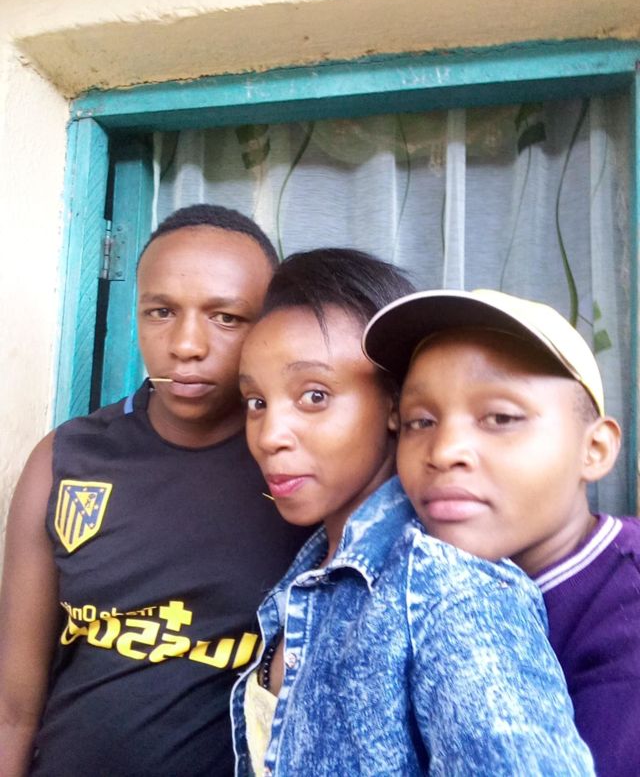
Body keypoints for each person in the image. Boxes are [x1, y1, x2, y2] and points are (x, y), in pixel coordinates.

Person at [231, 249, 595, 777]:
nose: (270, 436)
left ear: (395, 407)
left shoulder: (448, 587)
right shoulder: (314, 568)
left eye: (314, 395)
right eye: (256, 402)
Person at [0, 205, 310, 777]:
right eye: (161, 312)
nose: (186, 345)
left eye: (226, 317)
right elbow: (14, 709)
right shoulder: (67, 459)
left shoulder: (295, 473)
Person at [363, 287, 640, 777]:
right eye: (419, 421)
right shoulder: (409, 579)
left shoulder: (627, 620)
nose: (444, 451)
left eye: (501, 418)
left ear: (594, 449)